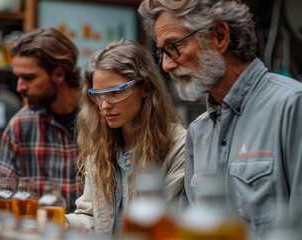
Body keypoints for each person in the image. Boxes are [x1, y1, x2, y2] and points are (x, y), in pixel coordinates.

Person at [139, 0, 302, 238]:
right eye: (162, 52)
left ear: (219, 36)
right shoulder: (199, 130)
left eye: (173, 47)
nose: (166, 65)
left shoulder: (292, 106)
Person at [65, 39, 186, 237]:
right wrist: (64, 222)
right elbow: (91, 217)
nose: (104, 105)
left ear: (145, 88)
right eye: (98, 95)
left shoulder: (178, 145)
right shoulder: (101, 144)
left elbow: (163, 227)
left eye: (115, 92)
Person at [0, 28, 82, 213]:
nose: (19, 87)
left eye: (29, 78)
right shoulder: (19, 127)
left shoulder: (104, 119)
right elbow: (2, 205)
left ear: (59, 74)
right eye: (17, 77)